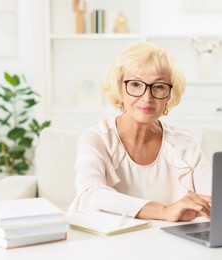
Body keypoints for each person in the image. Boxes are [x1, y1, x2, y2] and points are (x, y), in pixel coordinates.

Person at [69, 41, 212, 222]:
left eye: (158, 86)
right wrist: (164, 211)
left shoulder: (185, 144)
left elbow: (213, 200)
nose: (147, 97)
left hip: (172, 245)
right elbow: (90, 196)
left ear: (169, 94)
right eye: (135, 84)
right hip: (112, 244)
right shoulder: (97, 138)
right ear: (120, 88)